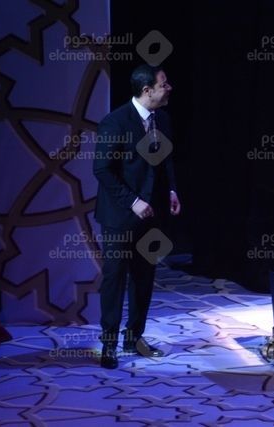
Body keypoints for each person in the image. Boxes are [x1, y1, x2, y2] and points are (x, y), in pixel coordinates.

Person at [93, 64, 181, 369]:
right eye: (163, 84)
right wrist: (132, 202)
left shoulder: (162, 119)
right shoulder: (115, 122)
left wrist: (171, 190)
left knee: (144, 277)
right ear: (147, 91)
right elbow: (102, 169)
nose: (169, 88)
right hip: (120, 216)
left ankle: (134, 337)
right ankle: (109, 343)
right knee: (115, 279)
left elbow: (165, 160)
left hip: (151, 215)